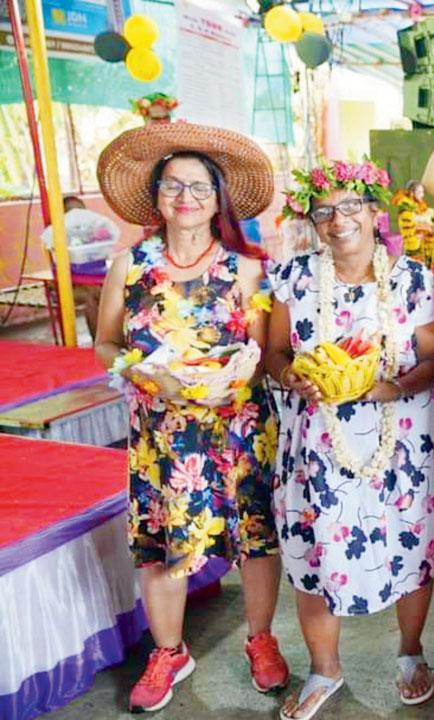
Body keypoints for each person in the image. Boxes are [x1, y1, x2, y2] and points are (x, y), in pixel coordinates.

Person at [94, 122, 287, 712]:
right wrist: (153, 376)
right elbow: (105, 345)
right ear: (156, 197)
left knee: (255, 539)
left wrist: (228, 381)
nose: (186, 198)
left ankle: (261, 639)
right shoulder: (129, 265)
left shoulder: (248, 269)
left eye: (199, 187)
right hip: (163, 437)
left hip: (239, 429)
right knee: (162, 544)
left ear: (217, 198)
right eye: (173, 186)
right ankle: (169, 651)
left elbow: (262, 358)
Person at [265, 159, 434, 720]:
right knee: (313, 549)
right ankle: (326, 668)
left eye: (350, 206)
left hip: (402, 441)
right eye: (325, 211)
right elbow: (274, 353)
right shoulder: (293, 277)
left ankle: (411, 654)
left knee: (410, 546)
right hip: (316, 441)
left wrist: (395, 388)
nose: (338, 220)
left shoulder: (413, 278)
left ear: (374, 212)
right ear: (314, 221)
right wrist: (288, 373)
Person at [40, 195, 120, 339]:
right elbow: (58, 272)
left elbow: (103, 257)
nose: (78, 216)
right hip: (68, 287)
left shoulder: (93, 234)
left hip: (93, 282)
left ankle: (112, 339)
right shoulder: (57, 235)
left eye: (80, 211)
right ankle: (98, 341)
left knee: (107, 295)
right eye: (71, 212)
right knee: (90, 298)